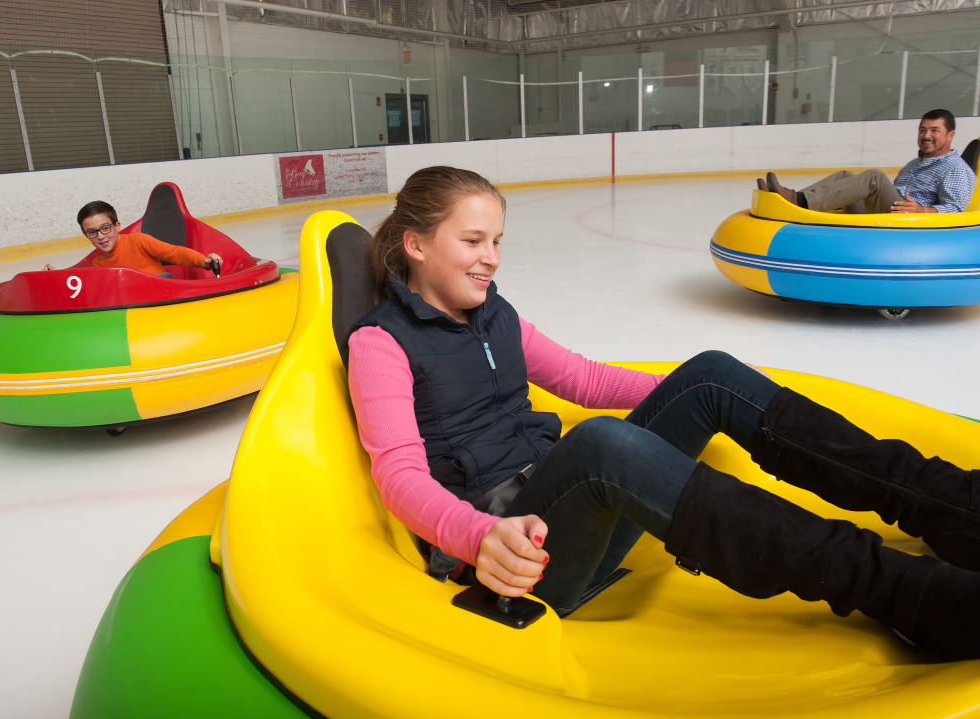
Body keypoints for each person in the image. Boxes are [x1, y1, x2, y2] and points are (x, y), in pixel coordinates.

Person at [346, 165, 980, 661]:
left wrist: (686, 388)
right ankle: (908, 594)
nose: (492, 257)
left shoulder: (495, 315)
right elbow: (399, 475)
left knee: (708, 373)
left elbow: (581, 377)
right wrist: (478, 537)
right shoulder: (382, 343)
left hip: (563, 502)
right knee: (599, 444)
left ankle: (952, 508)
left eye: (498, 241)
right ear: (417, 245)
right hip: (512, 553)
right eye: (473, 240)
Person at [760, 108, 975, 214]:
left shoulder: (955, 168)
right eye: (923, 130)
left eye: (934, 130)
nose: (927, 135)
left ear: (950, 135)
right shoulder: (914, 164)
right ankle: (793, 202)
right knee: (845, 176)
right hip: (889, 213)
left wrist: (923, 210)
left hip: (912, 224)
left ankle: (799, 201)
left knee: (874, 177)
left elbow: (956, 209)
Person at [43, 200, 222, 275]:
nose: (100, 236)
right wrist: (58, 275)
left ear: (117, 225)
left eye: (105, 228)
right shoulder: (98, 264)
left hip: (163, 292)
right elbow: (82, 280)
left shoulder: (139, 241)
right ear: (86, 235)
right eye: (92, 232)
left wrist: (203, 261)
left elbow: (174, 253)